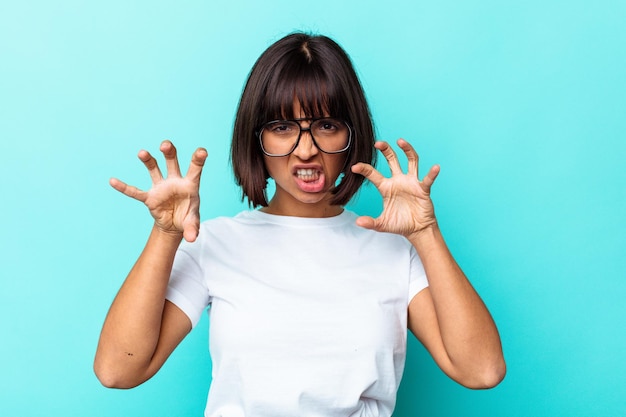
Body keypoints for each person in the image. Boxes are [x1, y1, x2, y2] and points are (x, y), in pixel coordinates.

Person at [94, 32, 505, 417]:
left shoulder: (394, 249)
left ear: (351, 134)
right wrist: (166, 234)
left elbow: (481, 371)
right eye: (282, 127)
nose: (306, 150)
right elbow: (118, 370)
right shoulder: (216, 243)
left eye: (326, 126)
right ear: (256, 140)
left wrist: (425, 233)